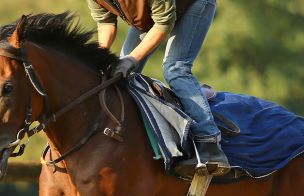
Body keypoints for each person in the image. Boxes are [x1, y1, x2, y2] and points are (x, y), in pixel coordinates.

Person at [86, 0, 230, 176]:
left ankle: (209, 143)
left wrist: (132, 59)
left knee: (175, 69)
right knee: (120, 76)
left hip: (193, 4)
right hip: (152, 15)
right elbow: (106, 23)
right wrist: (99, 58)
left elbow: (163, 23)